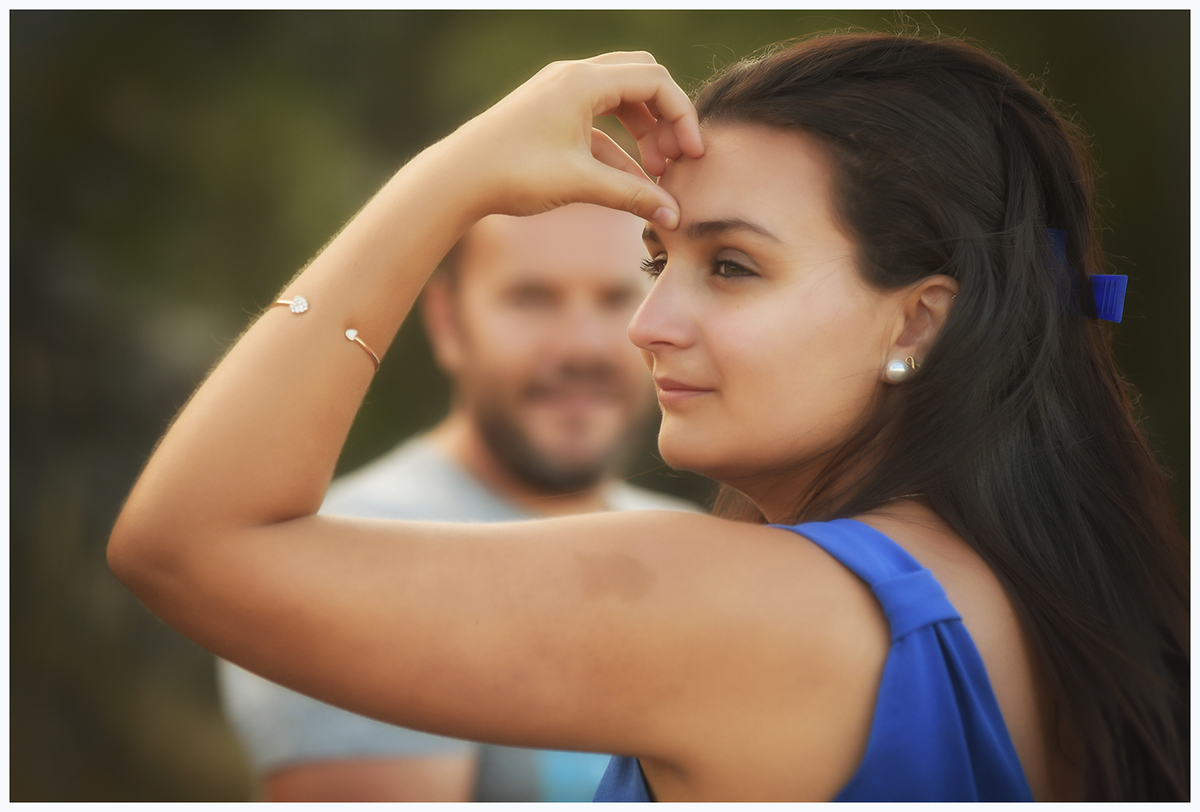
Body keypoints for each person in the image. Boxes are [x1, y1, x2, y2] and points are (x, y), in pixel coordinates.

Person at [108, 33, 1188, 801]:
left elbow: (191, 545)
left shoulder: (741, 609)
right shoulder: (1080, 604)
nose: (646, 324)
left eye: (731, 265)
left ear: (917, 317)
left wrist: (444, 182)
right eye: (657, 260)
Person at [216, 203, 700, 802]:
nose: (582, 346)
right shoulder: (347, 549)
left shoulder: (695, 542)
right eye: (532, 298)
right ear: (448, 323)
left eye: (616, 296)